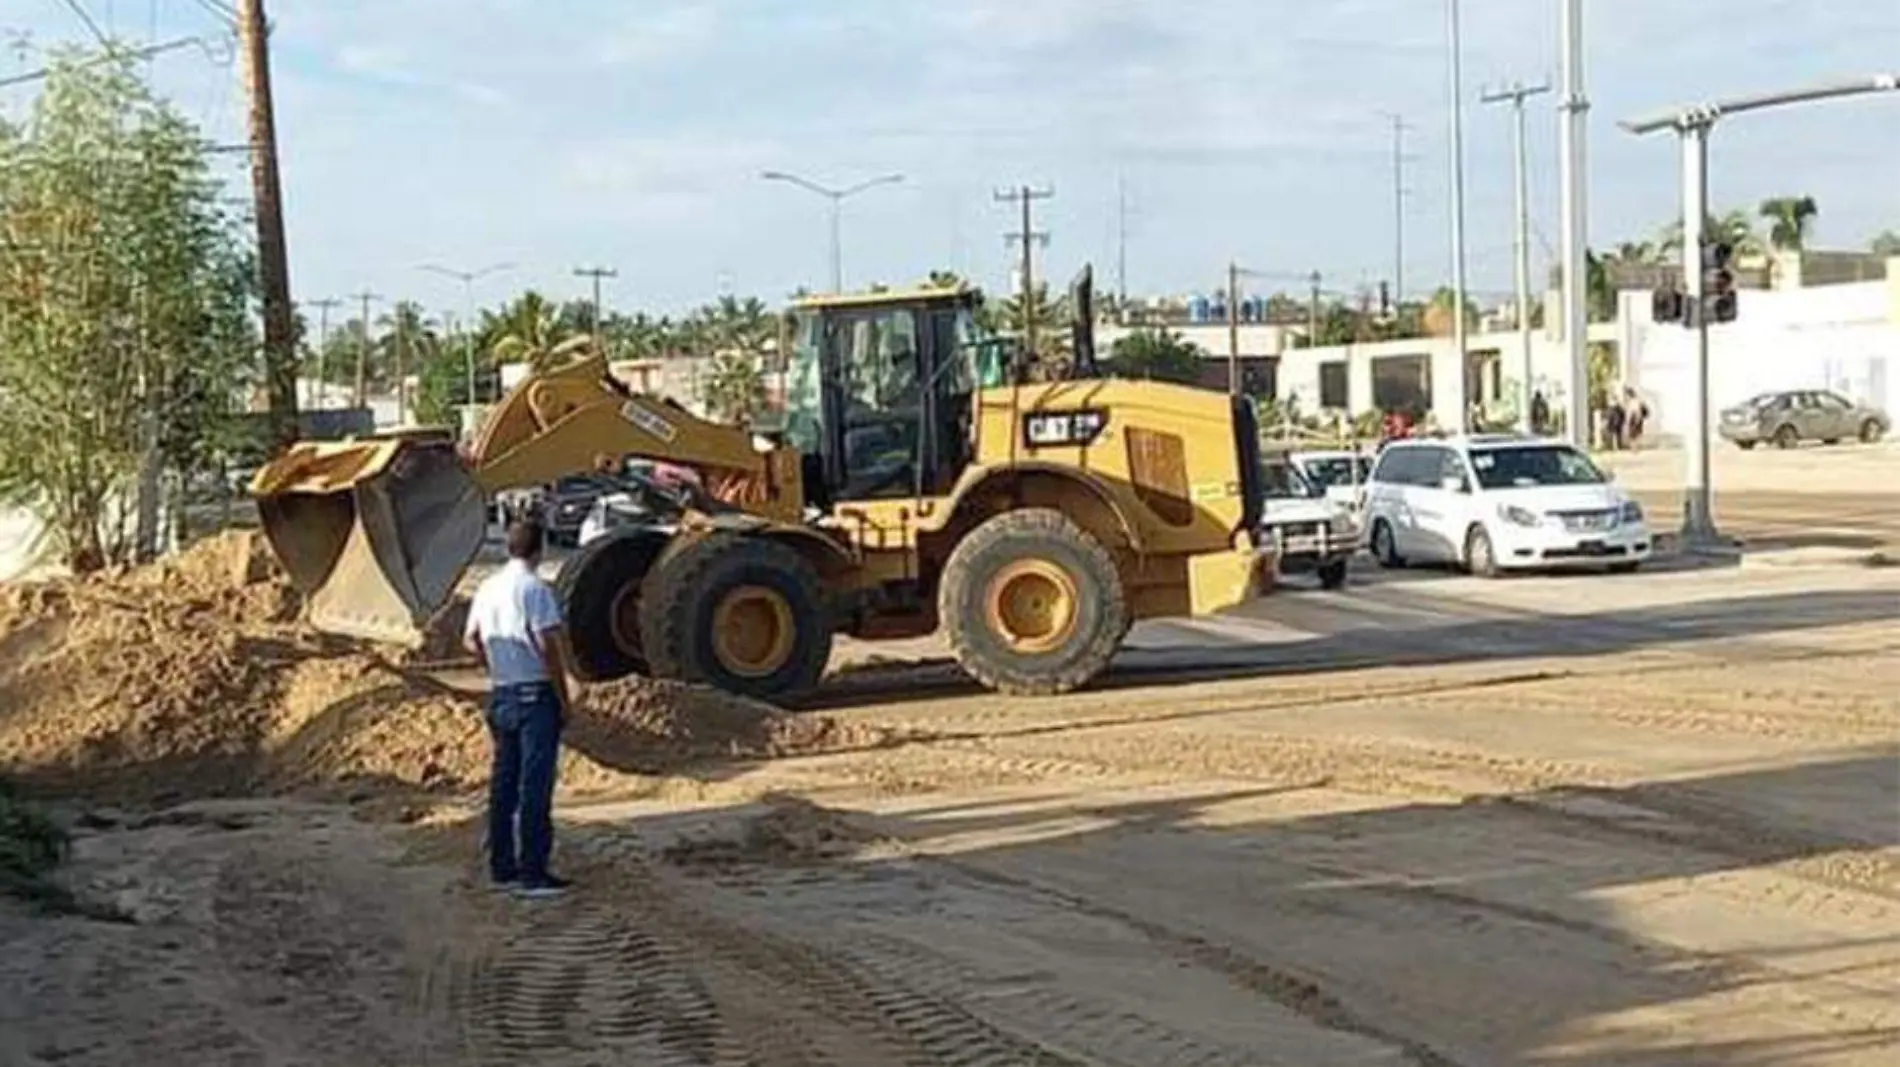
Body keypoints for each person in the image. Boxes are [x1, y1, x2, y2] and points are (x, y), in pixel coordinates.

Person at [463, 518, 573, 899]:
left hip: (503, 693)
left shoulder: (487, 587)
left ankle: (502, 866)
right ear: (539, 550)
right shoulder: (535, 590)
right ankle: (533, 873)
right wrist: (562, 696)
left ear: (509, 546)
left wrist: (495, 666)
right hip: (534, 695)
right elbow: (548, 646)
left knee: (503, 785)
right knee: (534, 786)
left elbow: (471, 638)